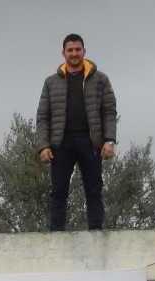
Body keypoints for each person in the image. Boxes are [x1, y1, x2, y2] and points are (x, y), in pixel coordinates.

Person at [36, 33, 117, 231]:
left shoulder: (100, 79)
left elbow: (109, 111)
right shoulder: (50, 82)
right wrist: (43, 146)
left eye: (77, 49)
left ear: (84, 52)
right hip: (60, 143)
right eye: (70, 50)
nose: (74, 53)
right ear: (63, 53)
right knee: (58, 191)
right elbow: (42, 116)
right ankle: (56, 235)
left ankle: (96, 233)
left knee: (94, 189)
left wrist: (109, 140)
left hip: (90, 141)